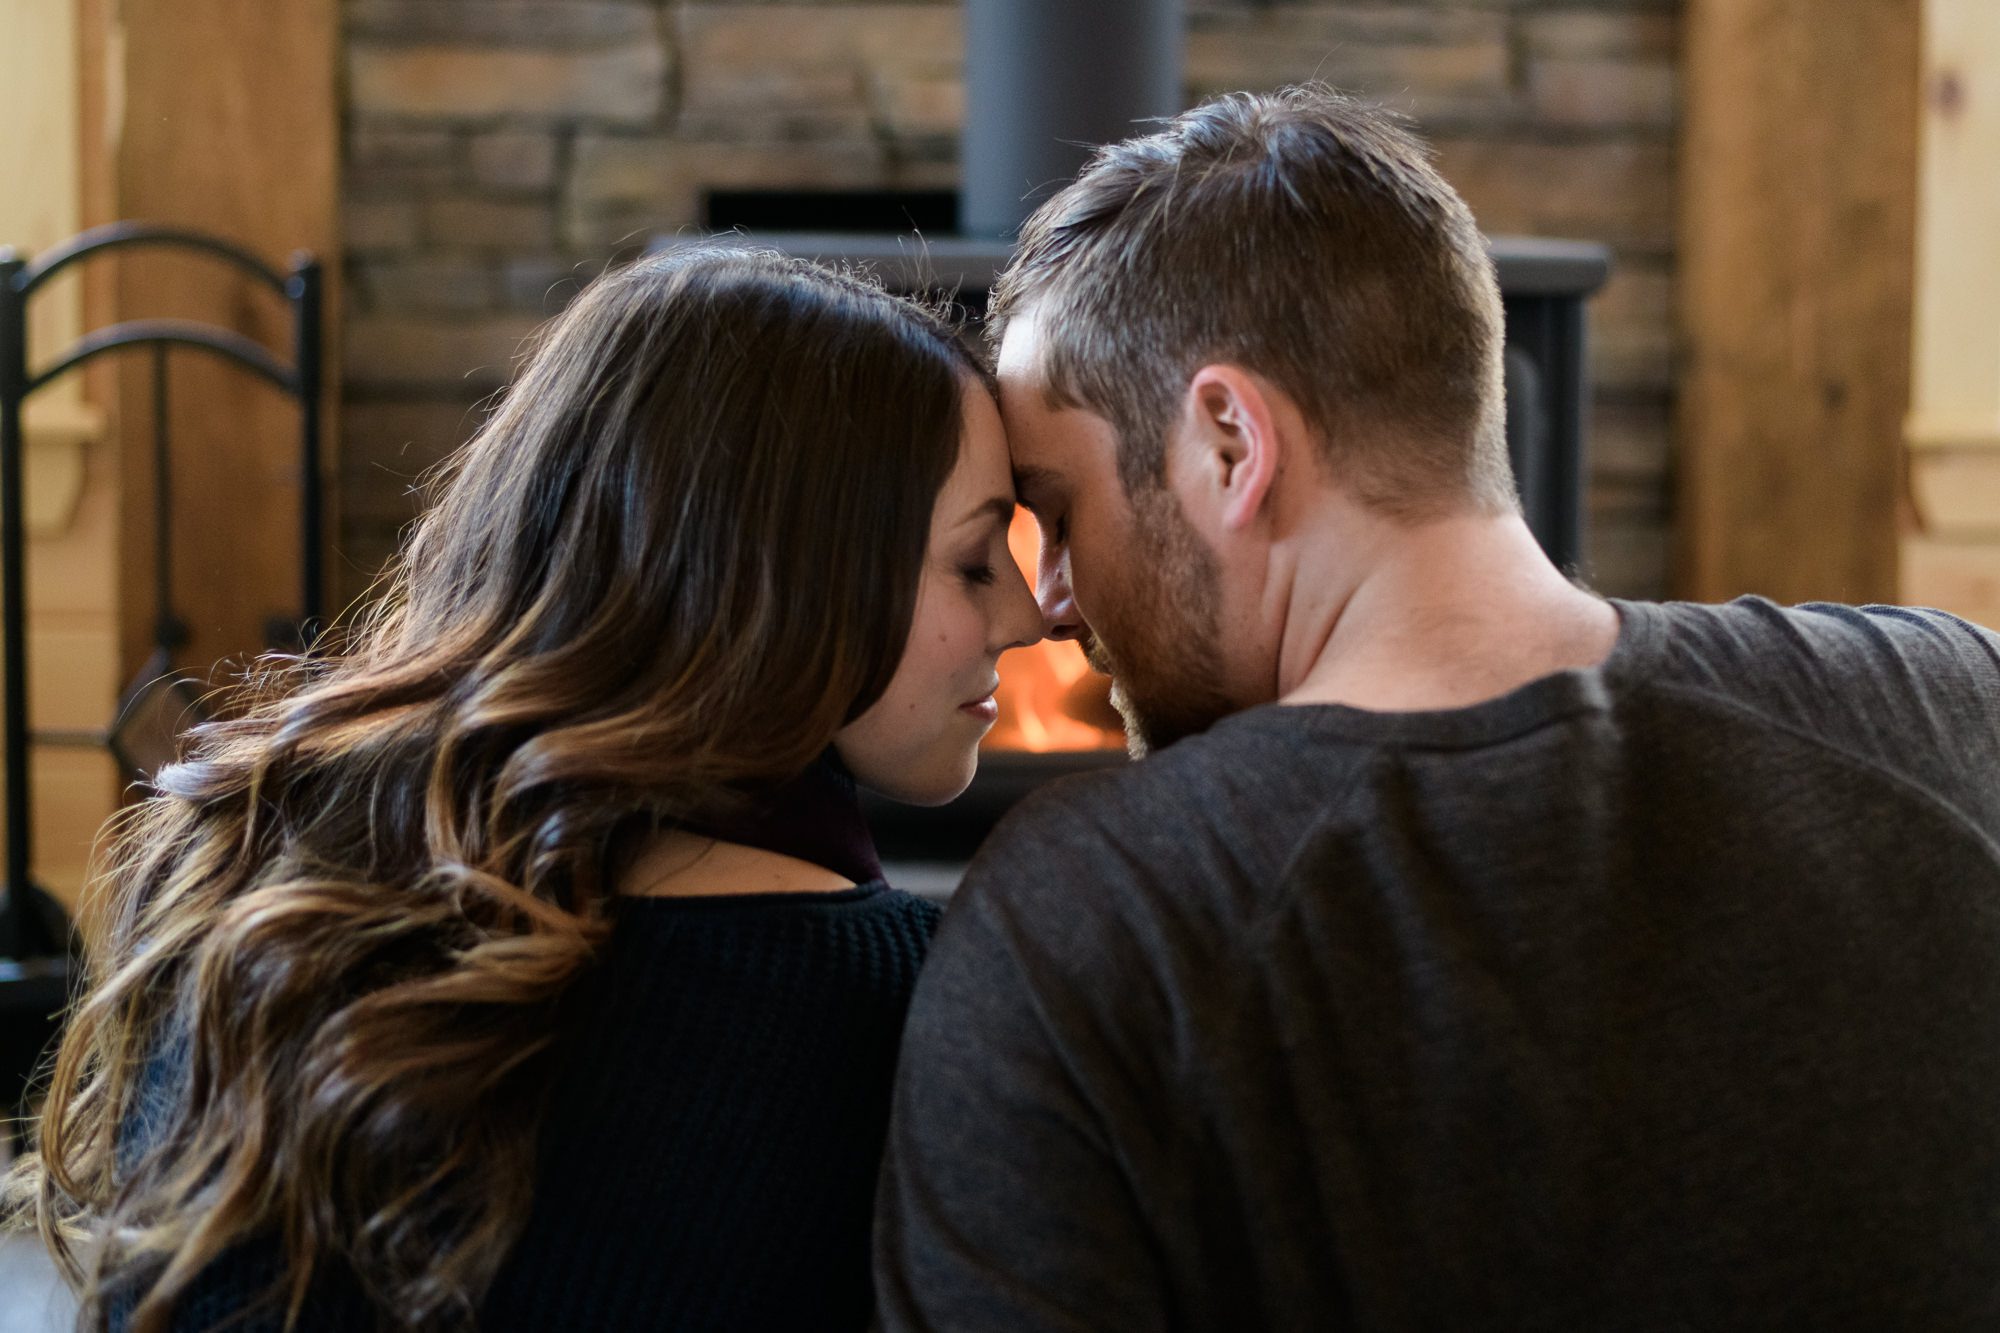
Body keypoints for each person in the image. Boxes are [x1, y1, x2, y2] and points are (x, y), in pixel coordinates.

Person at [875, 85, 2000, 1330]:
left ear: (1230, 444)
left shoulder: (1093, 919)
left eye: (1058, 509)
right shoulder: (1955, 702)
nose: (1050, 596)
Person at [4, 246, 1042, 1331]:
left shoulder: (260, 863)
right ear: (790, 577)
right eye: (976, 561)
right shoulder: (892, 1003)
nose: (1027, 615)